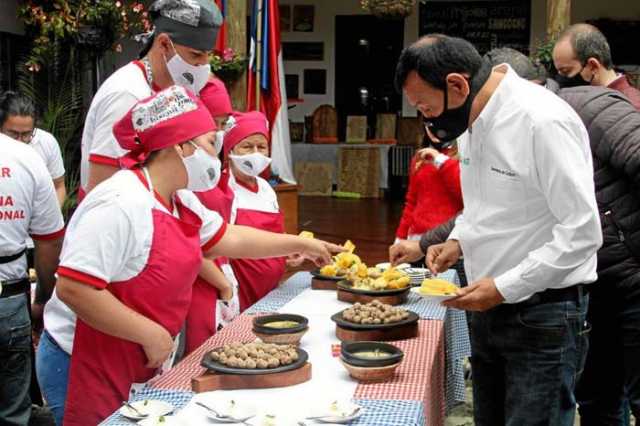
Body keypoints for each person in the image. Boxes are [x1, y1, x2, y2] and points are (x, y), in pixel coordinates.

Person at [36, 86, 340, 425]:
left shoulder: (181, 200)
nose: (217, 154)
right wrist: (150, 334)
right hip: (83, 359)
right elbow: (75, 288)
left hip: (138, 357)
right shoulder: (119, 202)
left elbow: (230, 238)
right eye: (211, 142)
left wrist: (302, 244)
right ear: (181, 146)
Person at [394, 35, 601, 425]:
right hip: (486, 306)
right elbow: (486, 207)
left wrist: (505, 287)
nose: (427, 120)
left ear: (457, 85)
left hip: (542, 314)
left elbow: (581, 231)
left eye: (426, 107)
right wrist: (458, 241)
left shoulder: (542, 120)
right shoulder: (473, 117)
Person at [79, 0, 222, 199]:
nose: (204, 66)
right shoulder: (127, 94)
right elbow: (101, 189)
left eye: (208, 55)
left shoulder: (170, 92)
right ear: (164, 44)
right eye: (196, 55)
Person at [0, 133, 64, 425]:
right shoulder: (26, 158)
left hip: (10, 296)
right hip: (9, 299)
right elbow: (50, 241)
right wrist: (43, 299)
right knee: (14, 409)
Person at [184, 77, 239, 355]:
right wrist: (223, 284)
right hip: (201, 281)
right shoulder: (186, 177)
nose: (219, 134)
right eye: (213, 125)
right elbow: (192, 243)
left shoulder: (217, 166)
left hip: (221, 274)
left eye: (224, 123)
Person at [0, 91, 66, 206]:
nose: (20, 141)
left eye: (26, 134)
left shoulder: (47, 143)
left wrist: (50, 218)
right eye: (13, 134)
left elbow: (59, 187)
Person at [553, 23, 640, 109]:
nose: (561, 79)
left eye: (566, 71)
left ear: (592, 66)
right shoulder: (590, 99)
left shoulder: (631, 108)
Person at [394, 132, 462, 243]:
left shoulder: (463, 156)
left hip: (448, 240)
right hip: (417, 238)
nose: (434, 129)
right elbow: (411, 202)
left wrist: (440, 161)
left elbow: (465, 195)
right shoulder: (420, 158)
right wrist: (400, 237)